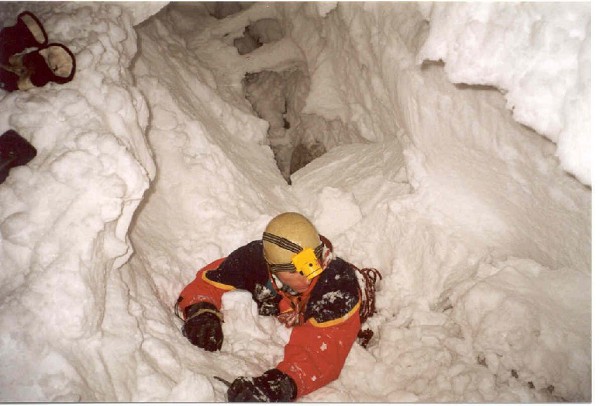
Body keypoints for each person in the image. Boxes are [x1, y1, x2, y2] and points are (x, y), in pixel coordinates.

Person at [175, 212, 366, 401]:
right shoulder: (254, 262)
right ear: (273, 270)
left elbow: (320, 357)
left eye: (313, 266)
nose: (309, 276)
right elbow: (209, 282)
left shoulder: (337, 288)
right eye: (299, 271)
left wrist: (277, 386)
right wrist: (201, 311)